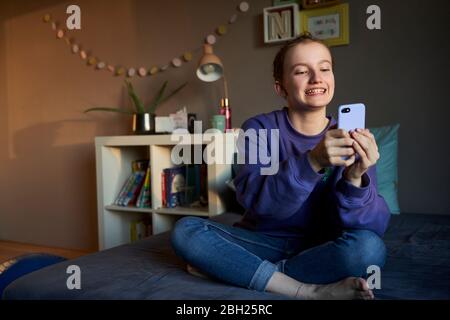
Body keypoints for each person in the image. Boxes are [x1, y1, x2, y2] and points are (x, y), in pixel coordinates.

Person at [171, 34, 391, 300]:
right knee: (187, 231)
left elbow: (373, 226)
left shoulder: (353, 136)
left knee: (369, 249)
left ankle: (245, 272)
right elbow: (263, 208)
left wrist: (355, 178)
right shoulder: (260, 129)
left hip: (323, 247)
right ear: (281, 87)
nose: (316, 78)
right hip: (262, 241)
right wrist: (313, 161)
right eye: (301, 71)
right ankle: (303, 289)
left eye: (324, 69)